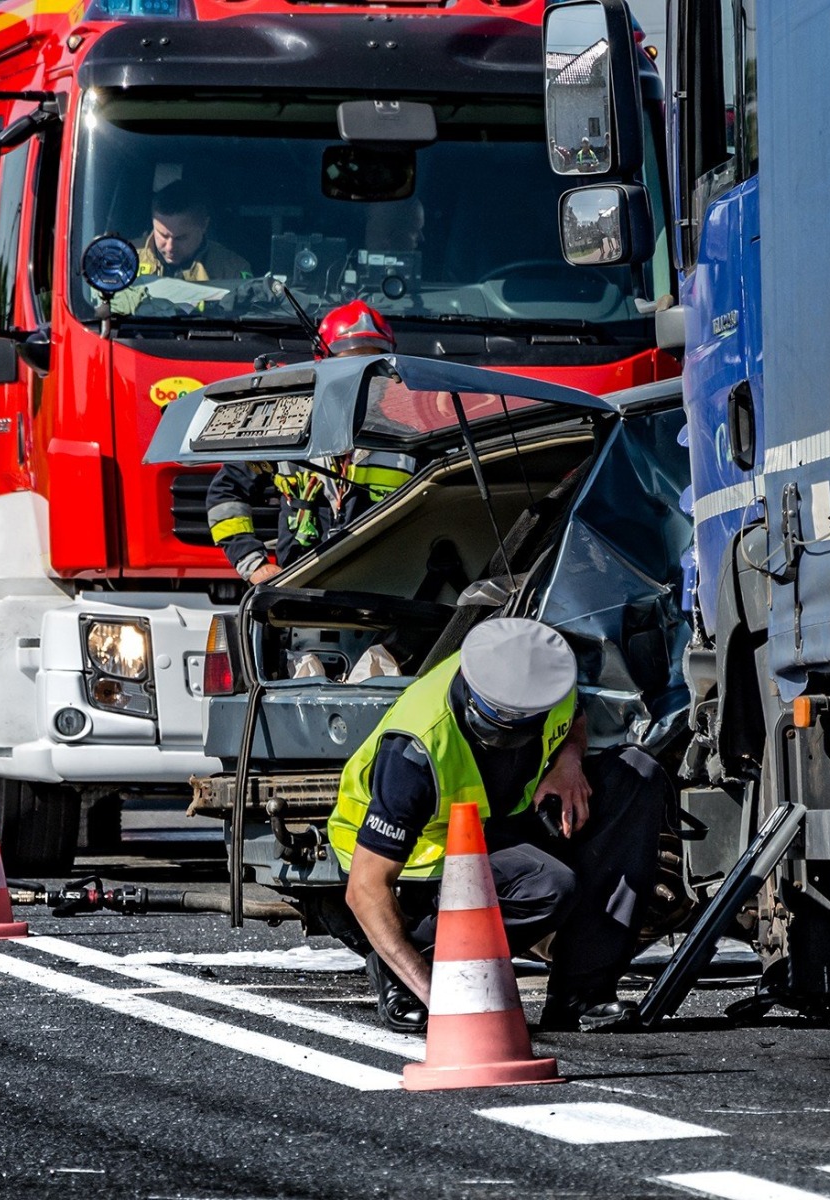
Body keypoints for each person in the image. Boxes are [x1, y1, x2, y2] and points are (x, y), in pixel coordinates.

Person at [326, 617, 669, 1034]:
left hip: (496, 819)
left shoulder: (545, 678)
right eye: (494, 731)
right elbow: (365, 887)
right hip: (422, 853)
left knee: (636, 775)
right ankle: (403, 967)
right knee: (547, 886)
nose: (504, 741)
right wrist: (438, 997)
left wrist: (568, 762)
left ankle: (580, 995)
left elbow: (573, 718)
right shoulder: (416, 750)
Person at [204, 302, 412, 584]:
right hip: (301, 598)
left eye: (374, 365)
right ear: (322, 363)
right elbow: (226, 495)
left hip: (383, 596)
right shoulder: (285, 434)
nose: (363, 376)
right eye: (350, 363)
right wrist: (254, 564)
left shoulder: (409, 442)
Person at [137, 180, 251, 282]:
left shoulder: (232, 271)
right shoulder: (125, 260)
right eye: (163, 235)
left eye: (180, 238)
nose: (169, 247)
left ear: (204, 226)